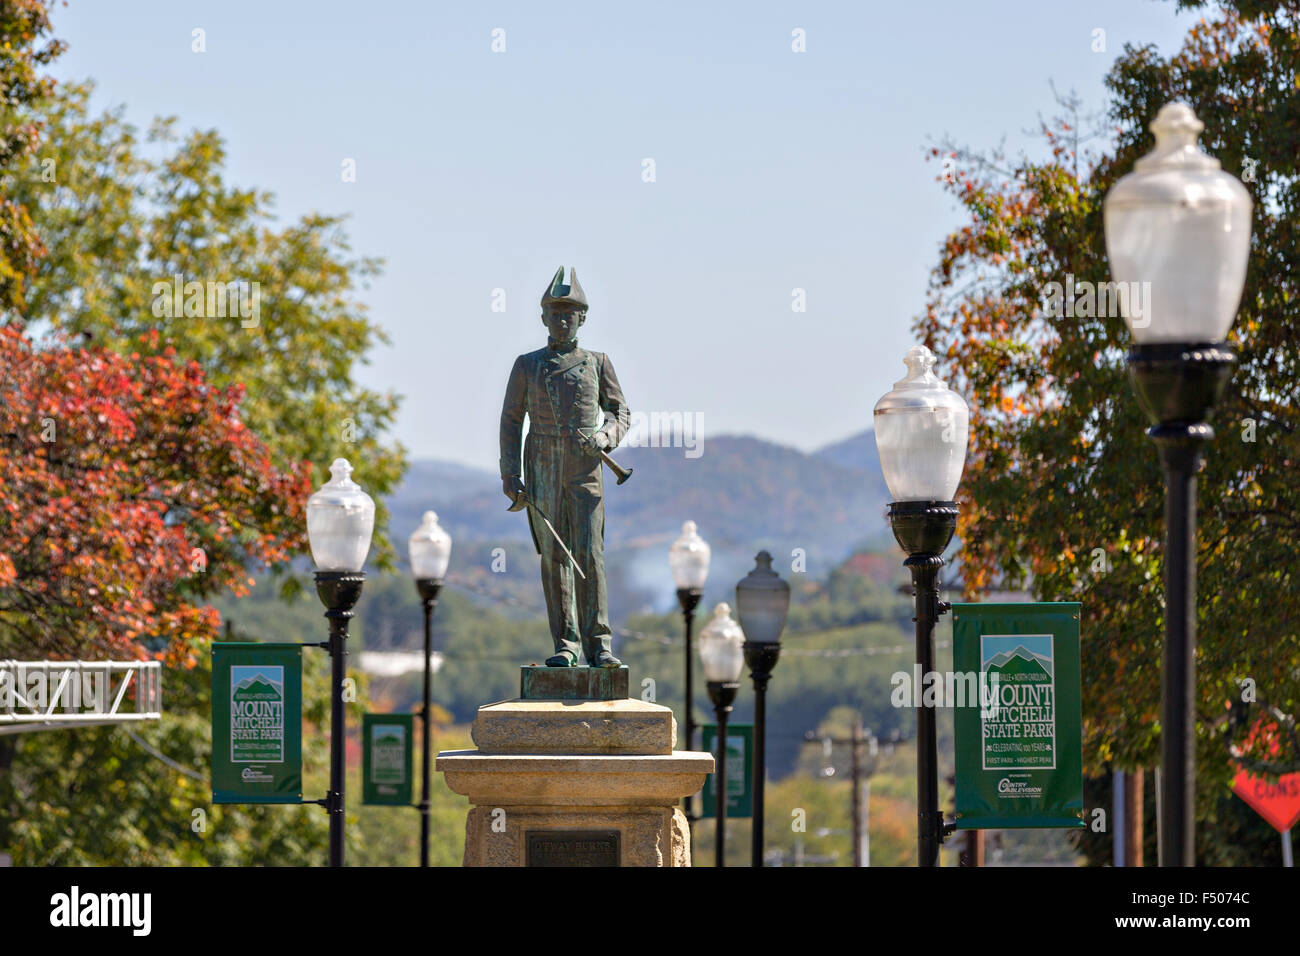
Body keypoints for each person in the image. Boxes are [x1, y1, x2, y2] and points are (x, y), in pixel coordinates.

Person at [499, 267, 629, 667]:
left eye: (568, 314)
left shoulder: (598, 363)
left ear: (582, 319)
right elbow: (510, 419)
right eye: (554, 313)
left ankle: (599, 644)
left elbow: (620, 412)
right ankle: (566, 642)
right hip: (541, 468)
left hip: (585, 469)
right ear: (543, 318)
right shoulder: (527, 365)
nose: (561, 320)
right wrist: (510, 474)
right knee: (554, 556)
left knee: (591, 554)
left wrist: (606, 437)